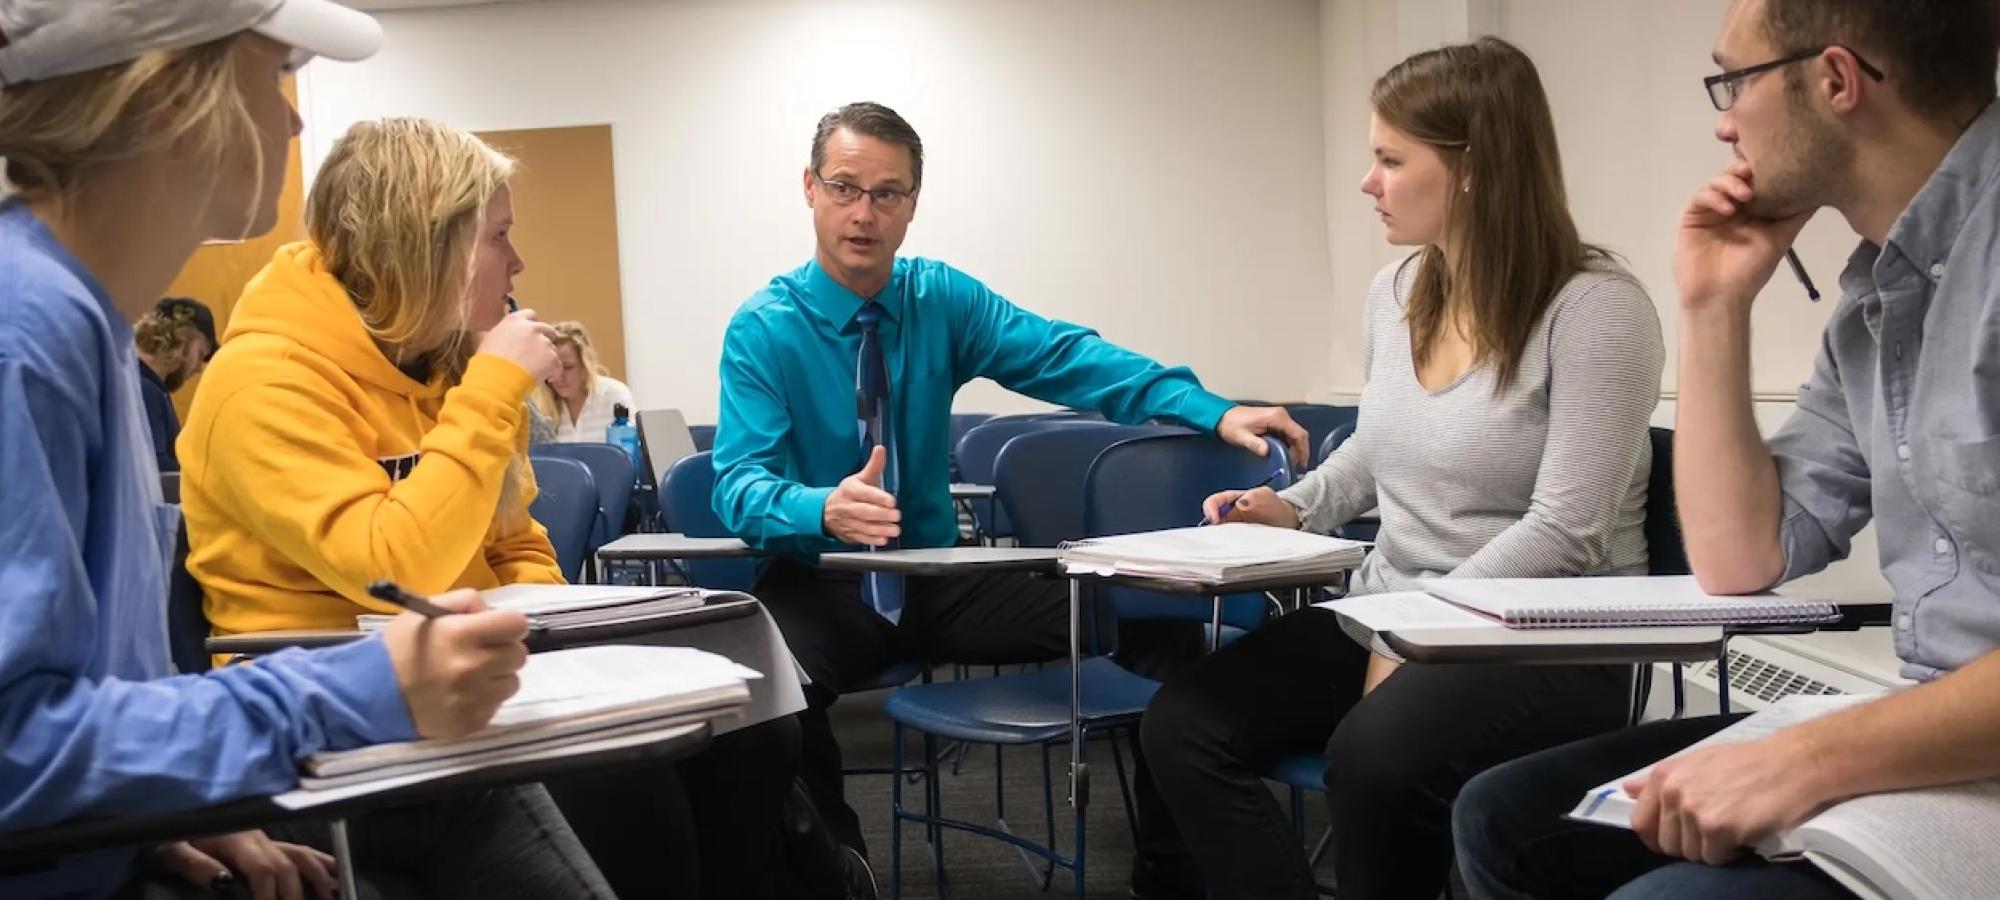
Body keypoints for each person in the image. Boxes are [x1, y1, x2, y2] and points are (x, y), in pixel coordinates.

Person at [0, 2, 616, 898]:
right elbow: (13, 754)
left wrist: (172, 818)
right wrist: (353, 691)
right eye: (275, 72)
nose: (294, 119)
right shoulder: (29, 335)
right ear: (172, 93)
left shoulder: (77, 324)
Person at [178, 117, 822, 900]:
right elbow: (388, 566)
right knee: (629, 784)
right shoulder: (262, 381)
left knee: (750, 729)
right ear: (424, 248)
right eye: (498, 238)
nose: (517, 263)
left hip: (472, 669)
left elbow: (515, 544)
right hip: (334, 705)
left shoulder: (439, 360)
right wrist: (490, 391)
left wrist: (571, 651)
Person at [1452, 2, 2000, 898]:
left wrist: (1813, 757)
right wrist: (1713, 303)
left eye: (1733, 80)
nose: (1723, 119)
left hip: (1964, 751)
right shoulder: (1878, 295)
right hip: (1936, 737)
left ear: (1835, 81)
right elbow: (1741, 558)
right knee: (1508, 818)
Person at [711, 100, 1312, 892]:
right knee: (766, 702)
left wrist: (1213, 408)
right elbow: (736, 484)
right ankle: (839, 875)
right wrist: (817, 508)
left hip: (938, 579)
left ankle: (1170, 868)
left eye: (887, 193)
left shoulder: (939, 300)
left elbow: (1066, 356)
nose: (864, 213)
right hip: (822, 579)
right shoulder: (763, 329)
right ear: (810, 189)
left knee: (1165, 632)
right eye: (845, 187)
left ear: (912, 205)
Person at [1136, 38, 1666, 900]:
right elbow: (1377, 451)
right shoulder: (1398, 291)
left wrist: (1415, 630)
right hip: (1399, 613)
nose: (1368, 181)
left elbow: (1568, 532)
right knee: (1182, 723)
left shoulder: (1597, 308)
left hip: (1549, 638)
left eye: (1390, 158)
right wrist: (1293, 505)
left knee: (1375, 762)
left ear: (1474, 169)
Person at [133, 296, 218, 471]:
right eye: (200, 354)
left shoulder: (140, 383)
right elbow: (158, 471)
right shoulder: (147, 391)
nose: (198, 369)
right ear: (181, 340)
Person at [533, 320, 636, 443]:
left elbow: (631, 449)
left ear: (585, 364)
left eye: (568, 367)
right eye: (554, 367)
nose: (560, 376)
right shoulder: (541, 406)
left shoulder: (615, 395)